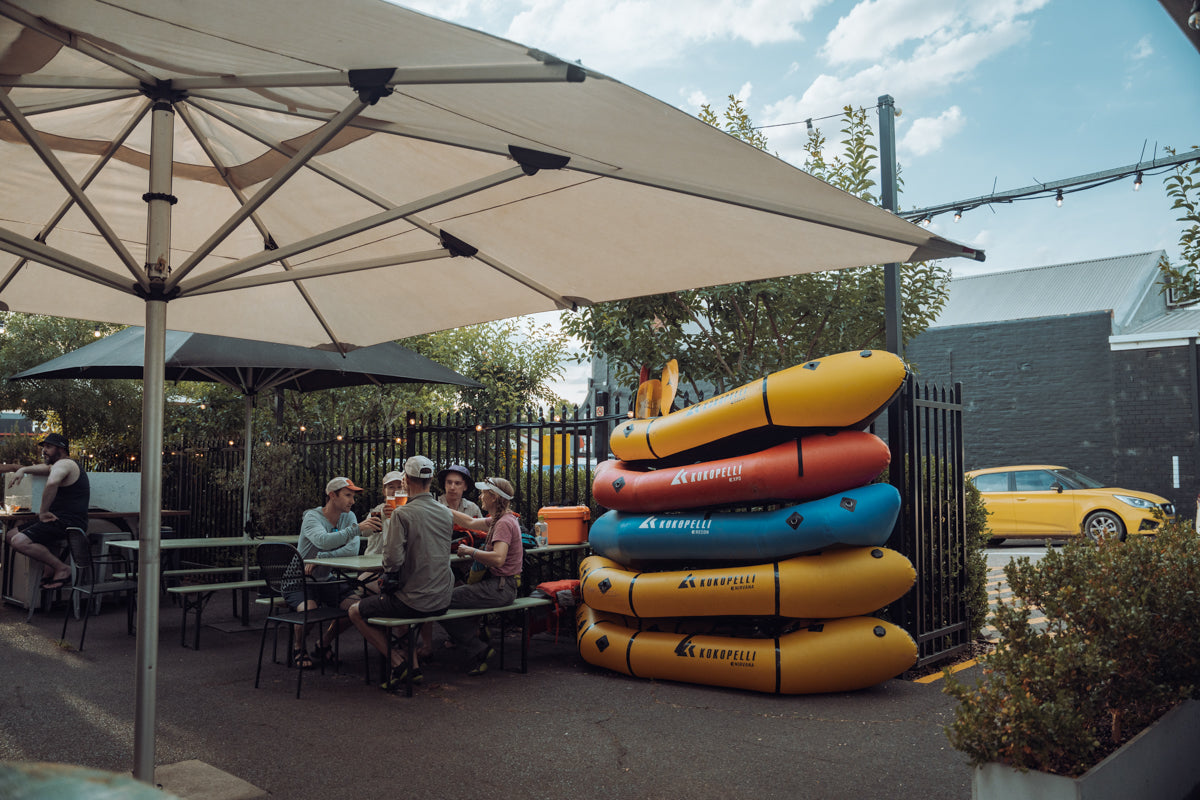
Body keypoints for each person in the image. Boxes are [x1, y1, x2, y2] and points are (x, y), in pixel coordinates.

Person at [348, 455, 453, 690]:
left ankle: (397, 662)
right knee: (395, 603)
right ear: (432, 479)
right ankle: (412, 666)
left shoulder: (402, 513)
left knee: (355, 610)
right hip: (442, 598)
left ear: (405, 480)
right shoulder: (445, 513)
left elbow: (392, 562)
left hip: (413, 601)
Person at [291, 476, 381, 669]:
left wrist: (320, 559)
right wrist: (355, 530)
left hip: (326, 578)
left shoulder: (349, 517)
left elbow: (351, 550)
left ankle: (322, 645)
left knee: (357, 608)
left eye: (353, 496)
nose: (352, 501)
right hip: (300, 578)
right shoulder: (312, 517)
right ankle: (298, 647)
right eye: (348, 495)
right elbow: (322, 540)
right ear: (332, 495)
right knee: (309, 610)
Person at [443, 476, 523, 676]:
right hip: (502, 586)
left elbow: (498, 558)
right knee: (447, 598)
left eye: (483, 494)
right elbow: (469, 521)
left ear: (494, 497)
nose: (480, 497)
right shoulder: (502, 518)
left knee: (439, 601)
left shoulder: (503, 523)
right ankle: (478, 638)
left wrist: (470, 551)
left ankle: (479, 647)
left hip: (500, 588)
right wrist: (439, 508)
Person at [1, 433, 89, 590]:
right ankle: (51, 565)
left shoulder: (65, 464)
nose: (44, 451)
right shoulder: (60, 465)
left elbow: (52, 483)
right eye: (44, 448)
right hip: (58, 519)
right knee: (10, 535)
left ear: (61, 449)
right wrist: (24, 470)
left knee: (18, 541)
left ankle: (62, 568)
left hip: (68, 522)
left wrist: (43, 512)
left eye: (48, 447)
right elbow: (46, 468)